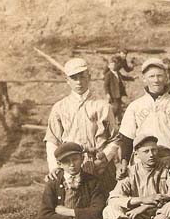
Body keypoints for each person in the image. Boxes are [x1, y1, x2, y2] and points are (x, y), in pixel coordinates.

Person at [24, 142, 112, 219]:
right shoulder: (53, 183)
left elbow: (97, 211)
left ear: (82, 159)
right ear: (59, 164)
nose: (71, 164)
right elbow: (43, 215)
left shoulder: (93, 181)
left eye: (75, 159)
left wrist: (70, 212)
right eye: (66, 161)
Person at [45, 58, 119, 193]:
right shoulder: (59, 107)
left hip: (99, 164)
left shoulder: (102, 106)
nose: (79, 82)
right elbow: (52, 140)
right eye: (74, 78)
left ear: (89, 77)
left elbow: (114, 139)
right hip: (71, 165)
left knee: (105, 207)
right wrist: (54, 167)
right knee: (73, 207)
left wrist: (104, 159)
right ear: (67, 80)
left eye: (82, 77)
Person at [118, 58, 170, 180]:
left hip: (169, 158)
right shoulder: (135, 106)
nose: (156, 80)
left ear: (166, 78)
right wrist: (124, 163)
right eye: (151, 76)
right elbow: (128, 138)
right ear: (144, 78)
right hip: (142, 161)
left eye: (160, 76)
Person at [103, 55, 135, 123]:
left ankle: (120, 122)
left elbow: (123, 77)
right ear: (109, 66)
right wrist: (107, 94)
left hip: (119, 94)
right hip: (113, 94)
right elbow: (106, 86)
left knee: (119, 108)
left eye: (115, 65)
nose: (113, 66)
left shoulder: (117, 72)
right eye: (111, 65)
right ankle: (109, 121)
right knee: (115, 108)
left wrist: (132, 78)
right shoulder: (108, 75)